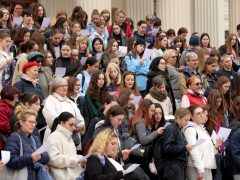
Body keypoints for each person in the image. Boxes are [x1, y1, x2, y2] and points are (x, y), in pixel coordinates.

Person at [4, 109, 49, 180]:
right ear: (21, 122)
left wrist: (40, 157)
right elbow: (10, 161)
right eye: (30, 122)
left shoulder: (35, 138)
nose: (33, 125)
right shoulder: (14, 137)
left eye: (35, 122)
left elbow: (46, 157)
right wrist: (30, 158)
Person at [184, 104, 223, 180]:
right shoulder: (190, 129)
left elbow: (207, 150)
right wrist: (200, 169)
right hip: (195, 167)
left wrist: (216, 146)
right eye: (198, 114)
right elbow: (193, 150)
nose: (202, 115)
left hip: (205, 165)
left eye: (202, 112)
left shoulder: (201, 129)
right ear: (191, 117)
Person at [42, 77, 85, 145]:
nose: (65, 88)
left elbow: (79, 117)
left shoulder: (70, 102)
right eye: (62, 86)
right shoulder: (50, 100)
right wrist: (68, 126)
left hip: (73, 138)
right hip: (55, 138)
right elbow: (52, 119)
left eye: (66, 85)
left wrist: (79, 125)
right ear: (55, 88)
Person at [47, 112, 84, 180]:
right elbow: (53, 158)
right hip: (62, 176)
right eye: (71, 125)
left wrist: (82, 158)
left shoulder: (69, 137)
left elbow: (72, 156)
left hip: (73, 175)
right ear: (62, 123)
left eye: (74, 125)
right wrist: (76, 160)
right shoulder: (53, 137)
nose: (73, 128)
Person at [160, 108, 193, 180]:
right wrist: (184, 147)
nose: (187, 122)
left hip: (178, 166)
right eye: (185, 120)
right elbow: (167, 148)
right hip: (173, 166)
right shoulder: (171, 128)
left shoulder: (178, 129)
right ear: (178, 117)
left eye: (188, 120)